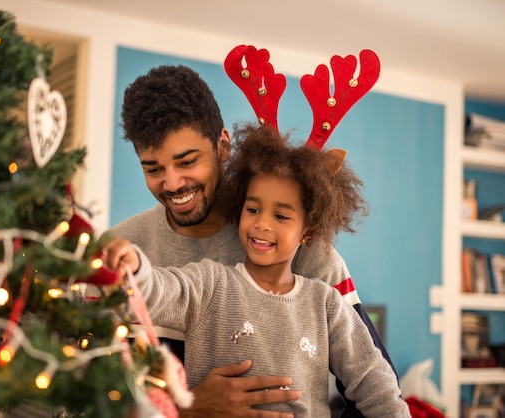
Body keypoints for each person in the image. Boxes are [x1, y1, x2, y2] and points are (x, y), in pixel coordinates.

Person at [108, 64, 397, 417]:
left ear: (223, 146)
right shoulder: (123, 253)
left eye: (188, 161)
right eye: (153, 169)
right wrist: (186, 409)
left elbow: (375, 384)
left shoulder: (314, 264)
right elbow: (85, 387)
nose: (172, 184)